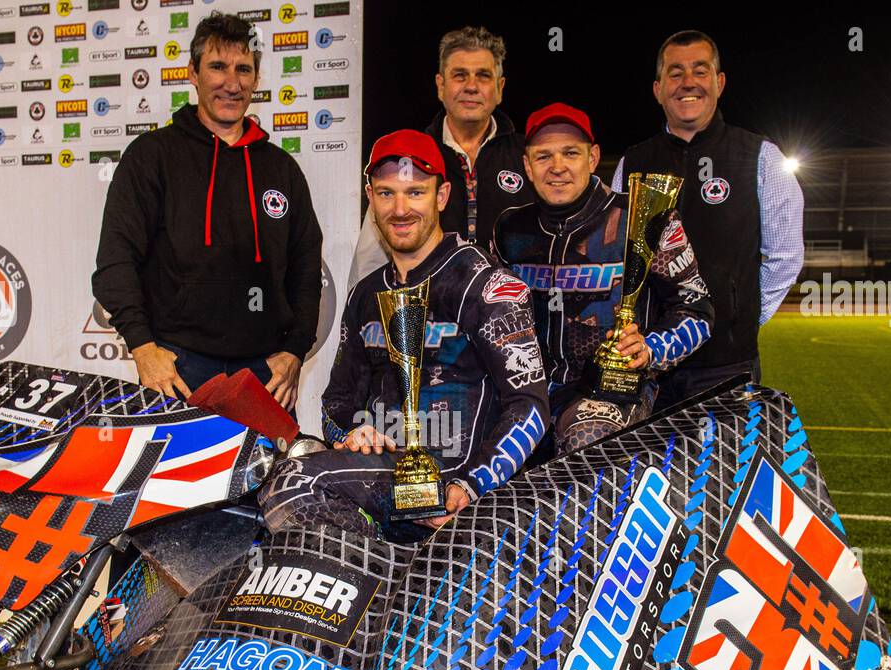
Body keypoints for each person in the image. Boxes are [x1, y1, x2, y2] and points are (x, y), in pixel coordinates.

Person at [260, 130, 549, 540]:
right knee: (276, 474)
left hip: (455, 483)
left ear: (442, 196)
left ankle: (390, 570)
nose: (400, 209)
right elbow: (335, 406)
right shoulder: (367, 294)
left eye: (415, 193)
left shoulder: (482, 284)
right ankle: (385, 574)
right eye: (386, 193)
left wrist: (469, 486)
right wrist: (351, 435)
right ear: (370, 197)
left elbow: (531, 407)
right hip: (383, 476)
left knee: (293, 486)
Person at [92, 11, 323, 412]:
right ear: (193, 73)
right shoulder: (152, 157)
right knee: (172, 477)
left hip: (264, 375)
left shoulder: (281, 169)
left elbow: (306, 270)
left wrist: (295, 352)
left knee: (264, 478)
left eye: (243, 69)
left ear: (256, 78)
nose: (231, 83)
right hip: (177, 370)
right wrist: (144, 348)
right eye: (218, 67)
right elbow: (115, 260)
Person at [492, 103, 714, 452]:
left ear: (593, 157)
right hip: (527, 392)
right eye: (543, 156)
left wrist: (649, 349)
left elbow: (697, 310)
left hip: (609, 393)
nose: (557, 167)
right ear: (527, 166)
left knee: (588, 438)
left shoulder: (644, 216)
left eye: (570, 153)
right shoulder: (509, 228)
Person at [612, 29, 804, 411]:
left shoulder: (761, 156)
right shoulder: (632, 163)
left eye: (700, 71)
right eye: (675, 72)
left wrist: (736, 320)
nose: (688, 83)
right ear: (657, 87)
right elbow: (617, 257)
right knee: (652, 470)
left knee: (725, 469)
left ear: (719, 82)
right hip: (649, 363)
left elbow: (785, 256)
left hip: (725, 364)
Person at [347, 25, 533, 284]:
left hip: (509, 314)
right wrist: (364, 314)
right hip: (422, 313)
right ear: (440, 86)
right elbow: (371, 261)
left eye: (483, 76)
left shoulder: (529, 156)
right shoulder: (407, 154)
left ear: (499, 88)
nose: (471, 86)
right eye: (460, 75)